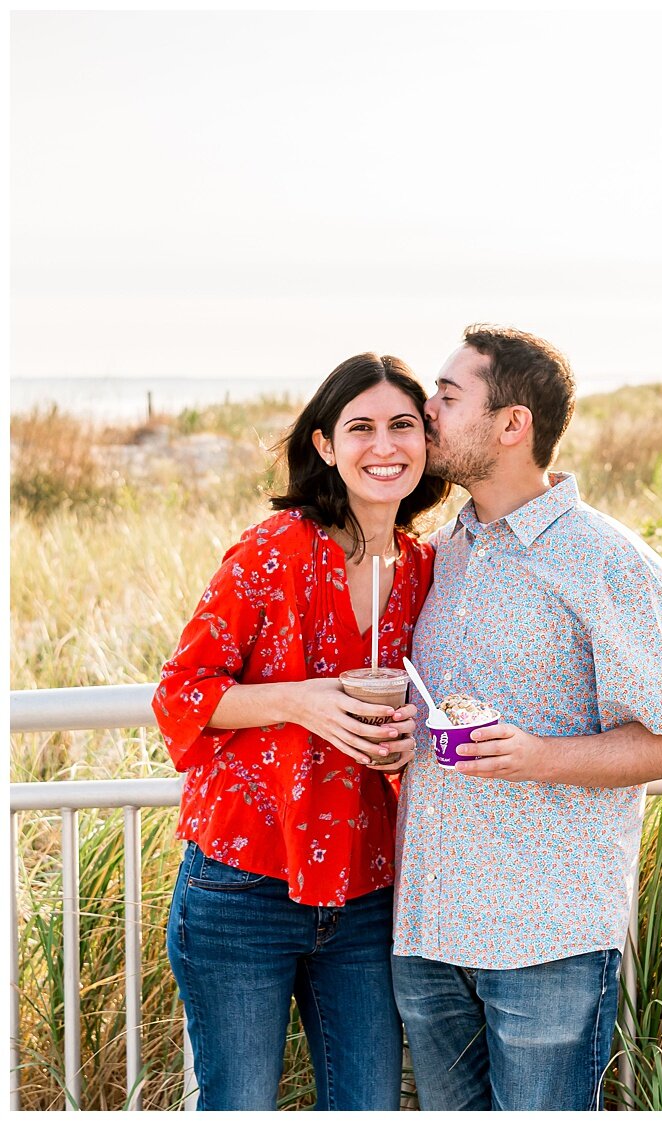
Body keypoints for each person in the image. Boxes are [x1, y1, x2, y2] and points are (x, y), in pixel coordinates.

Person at [390, 325, 662, 1111]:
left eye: (449, 396)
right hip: (427, 929)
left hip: (546, 938)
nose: (426, 409)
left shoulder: (609, 561)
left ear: (511, 424)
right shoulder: (442, 551)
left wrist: (534, 754)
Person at [153, 353, 449, 1109]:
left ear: (427, 441)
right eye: (361, 427)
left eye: (403, 425)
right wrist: (300, 700)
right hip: (242, 882)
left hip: (364, 893)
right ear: (325, 445)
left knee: (368, 1104)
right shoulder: (272, 550)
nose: (384, 445)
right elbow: (183, 692)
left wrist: (408, 739)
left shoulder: (422, 570)